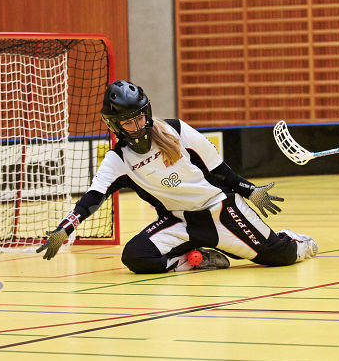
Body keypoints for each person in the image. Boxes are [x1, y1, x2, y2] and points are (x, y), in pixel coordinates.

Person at [37, 80, 318, 273]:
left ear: (147, 113)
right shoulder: (117, 160)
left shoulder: (177, 130)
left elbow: (220, 171)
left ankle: (294, 239)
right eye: (128, 122)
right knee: (136, 256)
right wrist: (64, 230)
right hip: (179, 222)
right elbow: (92, 199)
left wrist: (250, 191)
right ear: (115, 126)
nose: (137, 126)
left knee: (279, 257)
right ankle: (197, 260)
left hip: (221, 210)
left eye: (139, 117)